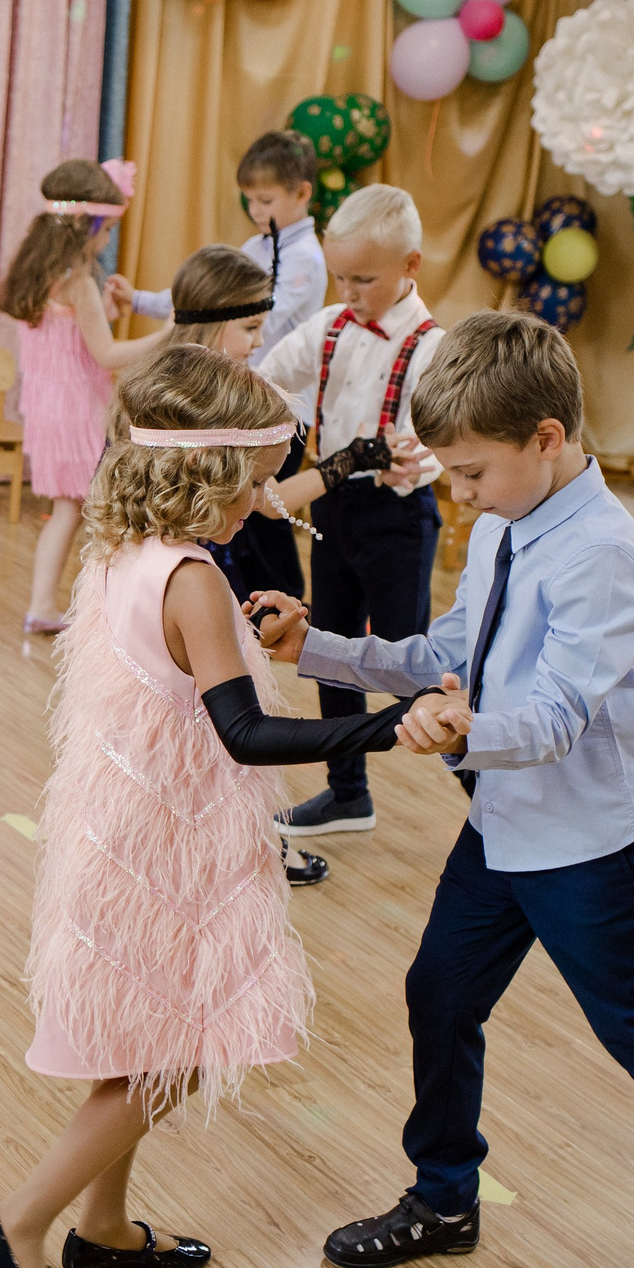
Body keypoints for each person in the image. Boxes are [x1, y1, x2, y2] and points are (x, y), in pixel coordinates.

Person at [252, 312, 634, 1268]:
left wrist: (456, 733)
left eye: (470, 472)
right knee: (440, 994)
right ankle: (444, 1196)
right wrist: (314, 646)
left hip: (593, 840)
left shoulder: (604, 554)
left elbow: (553, 719)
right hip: (508, 816)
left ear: (546, 437)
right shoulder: (508, 519)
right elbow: (447, 649)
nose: (458, 495)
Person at [0, 344, 417, 1268]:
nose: (262, 503)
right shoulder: (195, 579)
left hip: (122, 832)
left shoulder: (126, 553)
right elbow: (245, 733)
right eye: (252, 483)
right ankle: (19, 1220)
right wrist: (389, 725)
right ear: (206, 472)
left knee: (141, 1038)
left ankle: (105, 1227)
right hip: (170, 854)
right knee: (176, 1051)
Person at [254, 183, 447, 840]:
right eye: (341, 277)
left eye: (364, 279)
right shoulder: (330, 326)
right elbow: (268, 379)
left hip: (398, 520)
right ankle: (347, 793)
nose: (349, 291)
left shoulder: (431, 346)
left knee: (408, 667)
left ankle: (489, 790)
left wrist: (418, 461)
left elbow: (440, 438)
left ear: (410, 266)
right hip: (334, 509)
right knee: (330, 652)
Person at [155, 241, 331, 891]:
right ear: (213, 321)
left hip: (211, 564)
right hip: (209, 564)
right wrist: (341, 470)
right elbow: (267, 502)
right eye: (251, 328)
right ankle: (249, 843)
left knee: (216, 712)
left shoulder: (166, 381)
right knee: (228, 716)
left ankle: (248, 836)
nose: (259, 342)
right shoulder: (201, 404)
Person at [130, 130, 328, 605]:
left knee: (260, 520)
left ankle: (280, 601)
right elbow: (200, 300)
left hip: (273, 412)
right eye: (250, 201)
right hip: (233, 407)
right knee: (235, 521)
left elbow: (251, 314)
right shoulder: (256, 246)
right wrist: (137, 300)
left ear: (302, 193)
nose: (256, 211)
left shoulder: (305, 259)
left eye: (265, 200)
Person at [0, 159, 168, 634]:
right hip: (80, 410)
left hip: (49, 408)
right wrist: (169, 335)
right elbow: (107, 353)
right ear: (84, 224)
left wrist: (107, 308)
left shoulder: (39, 272)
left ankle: (43, 604)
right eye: (107, 229)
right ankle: (109, 610)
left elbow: (73, 336)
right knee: (101, 511)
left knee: (68, 510)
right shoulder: (77, 279)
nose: (108, 240)